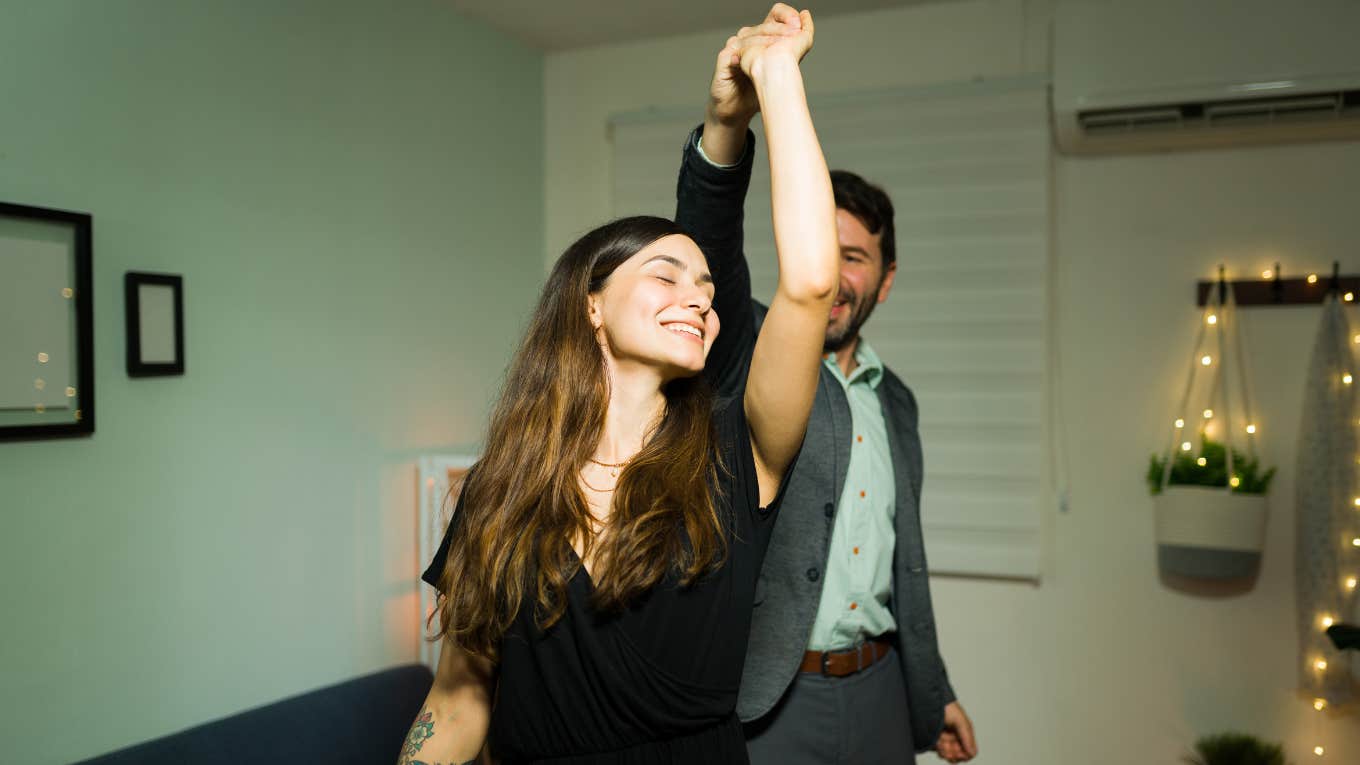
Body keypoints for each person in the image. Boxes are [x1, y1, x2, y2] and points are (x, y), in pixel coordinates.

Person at [398, 9, 838, 764]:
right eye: (665, 273)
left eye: (705, 286)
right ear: (591, 304)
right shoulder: (501, 487)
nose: (698, 296)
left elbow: (809, 283)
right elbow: (460, 695)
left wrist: (778, 75)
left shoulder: (739, 453)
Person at [674, 5, 979, 763]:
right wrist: (727, 128)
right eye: (823, 249)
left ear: (886, 276)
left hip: (879, 688)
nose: (837, 277)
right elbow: (708, 234)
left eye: (857, 256)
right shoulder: (745, 349)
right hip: (770, 700)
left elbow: (903, 560)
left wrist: (931, 689)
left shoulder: (896, 399)